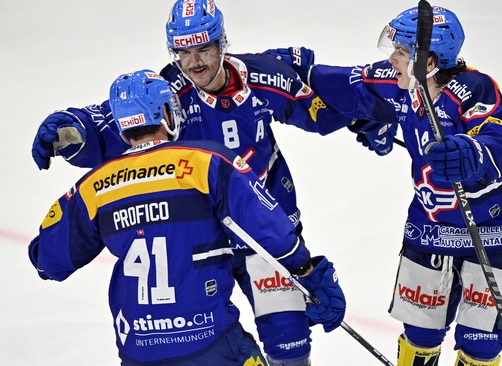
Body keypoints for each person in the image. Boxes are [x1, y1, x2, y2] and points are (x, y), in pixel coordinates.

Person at [30, 0, 395, 366]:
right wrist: (72, 128)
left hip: (262, 230)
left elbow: (323, 97)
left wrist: (365, 111)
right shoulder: (167, 90)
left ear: (222, 42)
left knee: (290, 342)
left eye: (204, 48)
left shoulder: (264, 77)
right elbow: (122, 118)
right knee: (195, 334)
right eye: (183, 53)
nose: (195, 62)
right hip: (200, 238)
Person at [28, 69, 346, 366]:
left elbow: (48, 261)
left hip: (138, 352)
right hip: (211, 342)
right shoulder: (208, 163)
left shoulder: (94, 186)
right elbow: (271, 230)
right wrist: (307, 270)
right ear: (166, 113)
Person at [275, 5, 502, 365]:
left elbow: (499, 140)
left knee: (481, 341)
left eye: (400, 52)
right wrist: (295, 69)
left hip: (494, 230)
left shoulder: (475, 88)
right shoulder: (401, 84)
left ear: (428, 62)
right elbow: (352, 82)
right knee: (420, 334)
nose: (391, 59)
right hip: (430, 227)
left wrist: (472, 154)